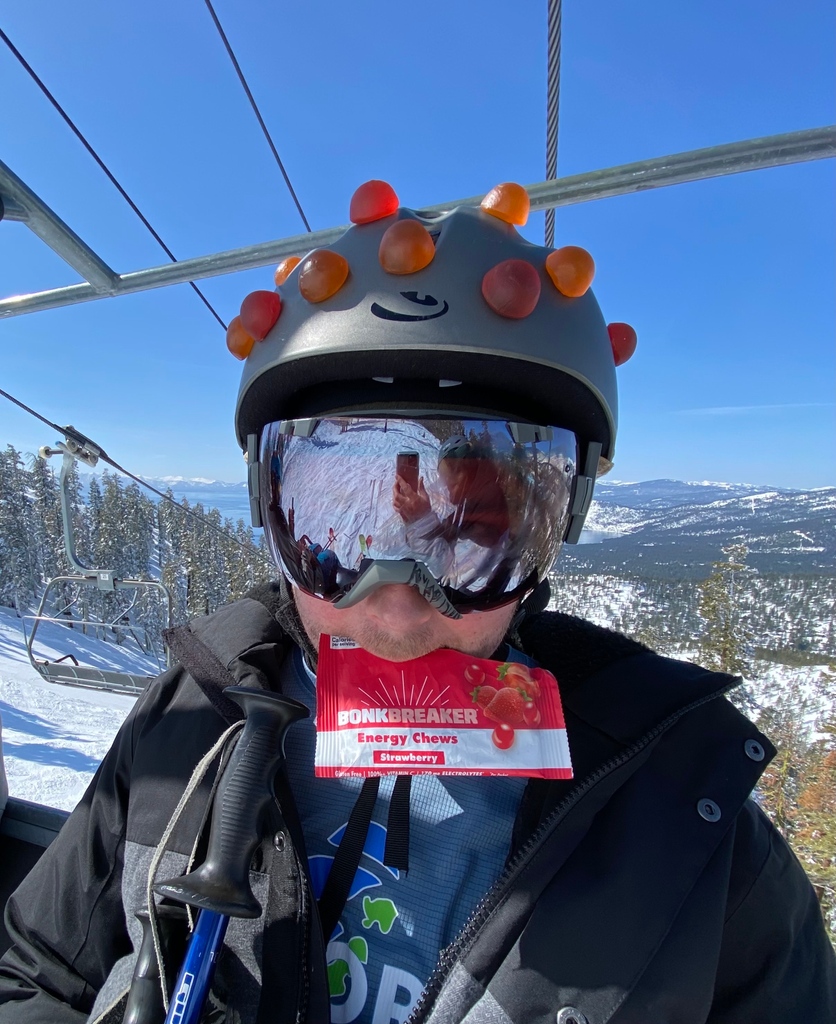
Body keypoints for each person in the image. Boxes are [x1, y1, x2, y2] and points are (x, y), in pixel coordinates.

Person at [0, 180, 833, 1024]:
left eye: (476, 543)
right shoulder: (191, 726)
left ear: (558, 529)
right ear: (269, 506)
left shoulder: (677, 814)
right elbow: (36, 974)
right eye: (336, 535)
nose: (396, 618)